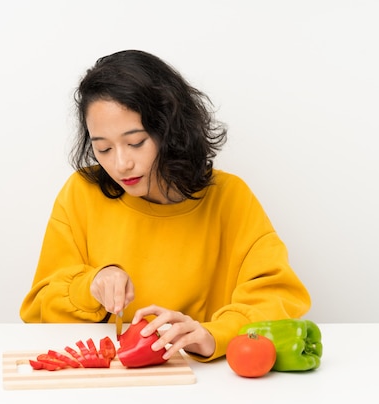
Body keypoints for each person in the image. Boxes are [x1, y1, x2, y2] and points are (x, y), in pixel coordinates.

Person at [19, 49, 311, 362]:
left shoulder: (230, 197)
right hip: (107, 384)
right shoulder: (81, 193)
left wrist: (215, 334)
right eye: (102, 148)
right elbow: (39, 308)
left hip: (212, 386)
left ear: (170, 131)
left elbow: (278, 295)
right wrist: (92, 284)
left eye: (136, 142)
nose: (120, 164)